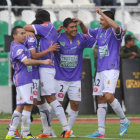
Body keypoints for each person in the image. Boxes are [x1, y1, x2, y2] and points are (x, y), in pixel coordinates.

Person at [78, 9, 130, 138]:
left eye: (102, 19)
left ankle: (124, 120)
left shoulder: (115, 31)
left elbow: (117, 27)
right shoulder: (99, 31)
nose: (100, 21)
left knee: (108, 96)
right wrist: (80, 23)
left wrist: (102, 13)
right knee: (100, 98)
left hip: (111, 68)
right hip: (100, 69)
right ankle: (101, 131)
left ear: (107, 20)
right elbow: (85, 32)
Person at [24, 10, 72, 138]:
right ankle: (47, 130)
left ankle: (66, 128)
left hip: (46, 68)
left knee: (50, 97)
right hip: (41, 68)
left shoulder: (46, 27)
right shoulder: (51, 30)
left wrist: (29, 32)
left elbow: (26, 27)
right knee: (40, 101)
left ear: (39, 19)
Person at [6, 26, 52, 139]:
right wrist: (43, 61)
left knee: (21, 106)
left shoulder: (20, 45)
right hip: (24, 79)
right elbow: (26, 61)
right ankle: (25, 133)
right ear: (14, 35)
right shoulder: (17, 47)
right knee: (28, 105)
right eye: (21, 33)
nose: (24, 35)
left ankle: (11, 133)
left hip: (24, 78)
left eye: (24, 33)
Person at [53, 17, 96, 134]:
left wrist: (82, 24)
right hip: (60, 78)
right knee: (56, 104)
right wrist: (56, 31)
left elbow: (91, 38)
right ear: (65, 29)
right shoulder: (58, 38)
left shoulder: (81, 38)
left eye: (75, 27)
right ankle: (47, 128)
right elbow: (45, 41)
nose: (74, 29)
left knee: (76, 104)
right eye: (71, 27)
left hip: (75, 78)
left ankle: (67, 130)